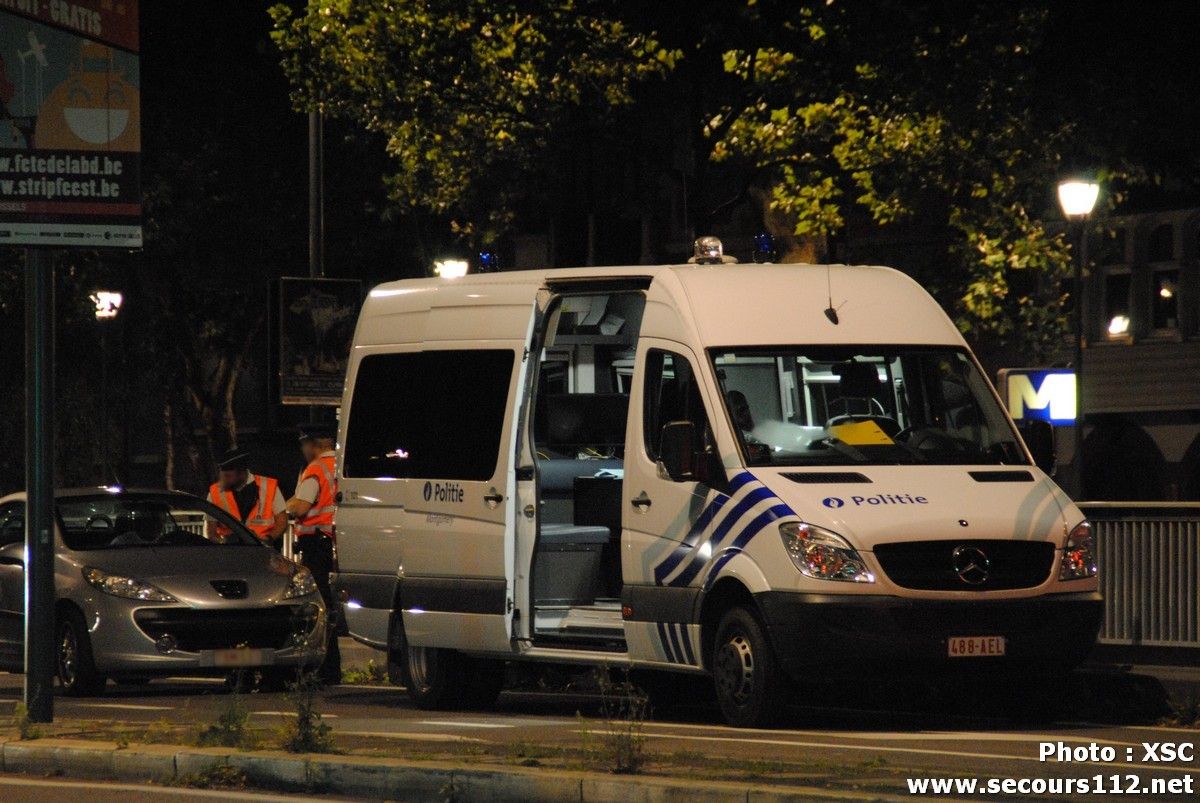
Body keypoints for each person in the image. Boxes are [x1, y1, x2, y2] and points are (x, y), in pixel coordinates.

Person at [286, 423, 341, 684]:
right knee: (330, 605)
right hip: (337, 542)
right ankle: (332, 670)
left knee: (318, 607)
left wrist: (288, 506)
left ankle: (325, 670)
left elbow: (301, 507)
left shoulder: (316, 469)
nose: (302, 449)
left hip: (317, 547)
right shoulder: (341, 465)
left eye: (303, 444)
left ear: (314, 444)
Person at [206, 448, 287, 544]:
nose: (224, 480)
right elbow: (211, 530)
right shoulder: (215, 491)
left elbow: (282, 521)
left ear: (241, 473)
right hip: (231, 549)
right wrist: (221, 543)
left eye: (228, 476)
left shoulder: (269, 486)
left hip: (262, 548)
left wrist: (268, 538)